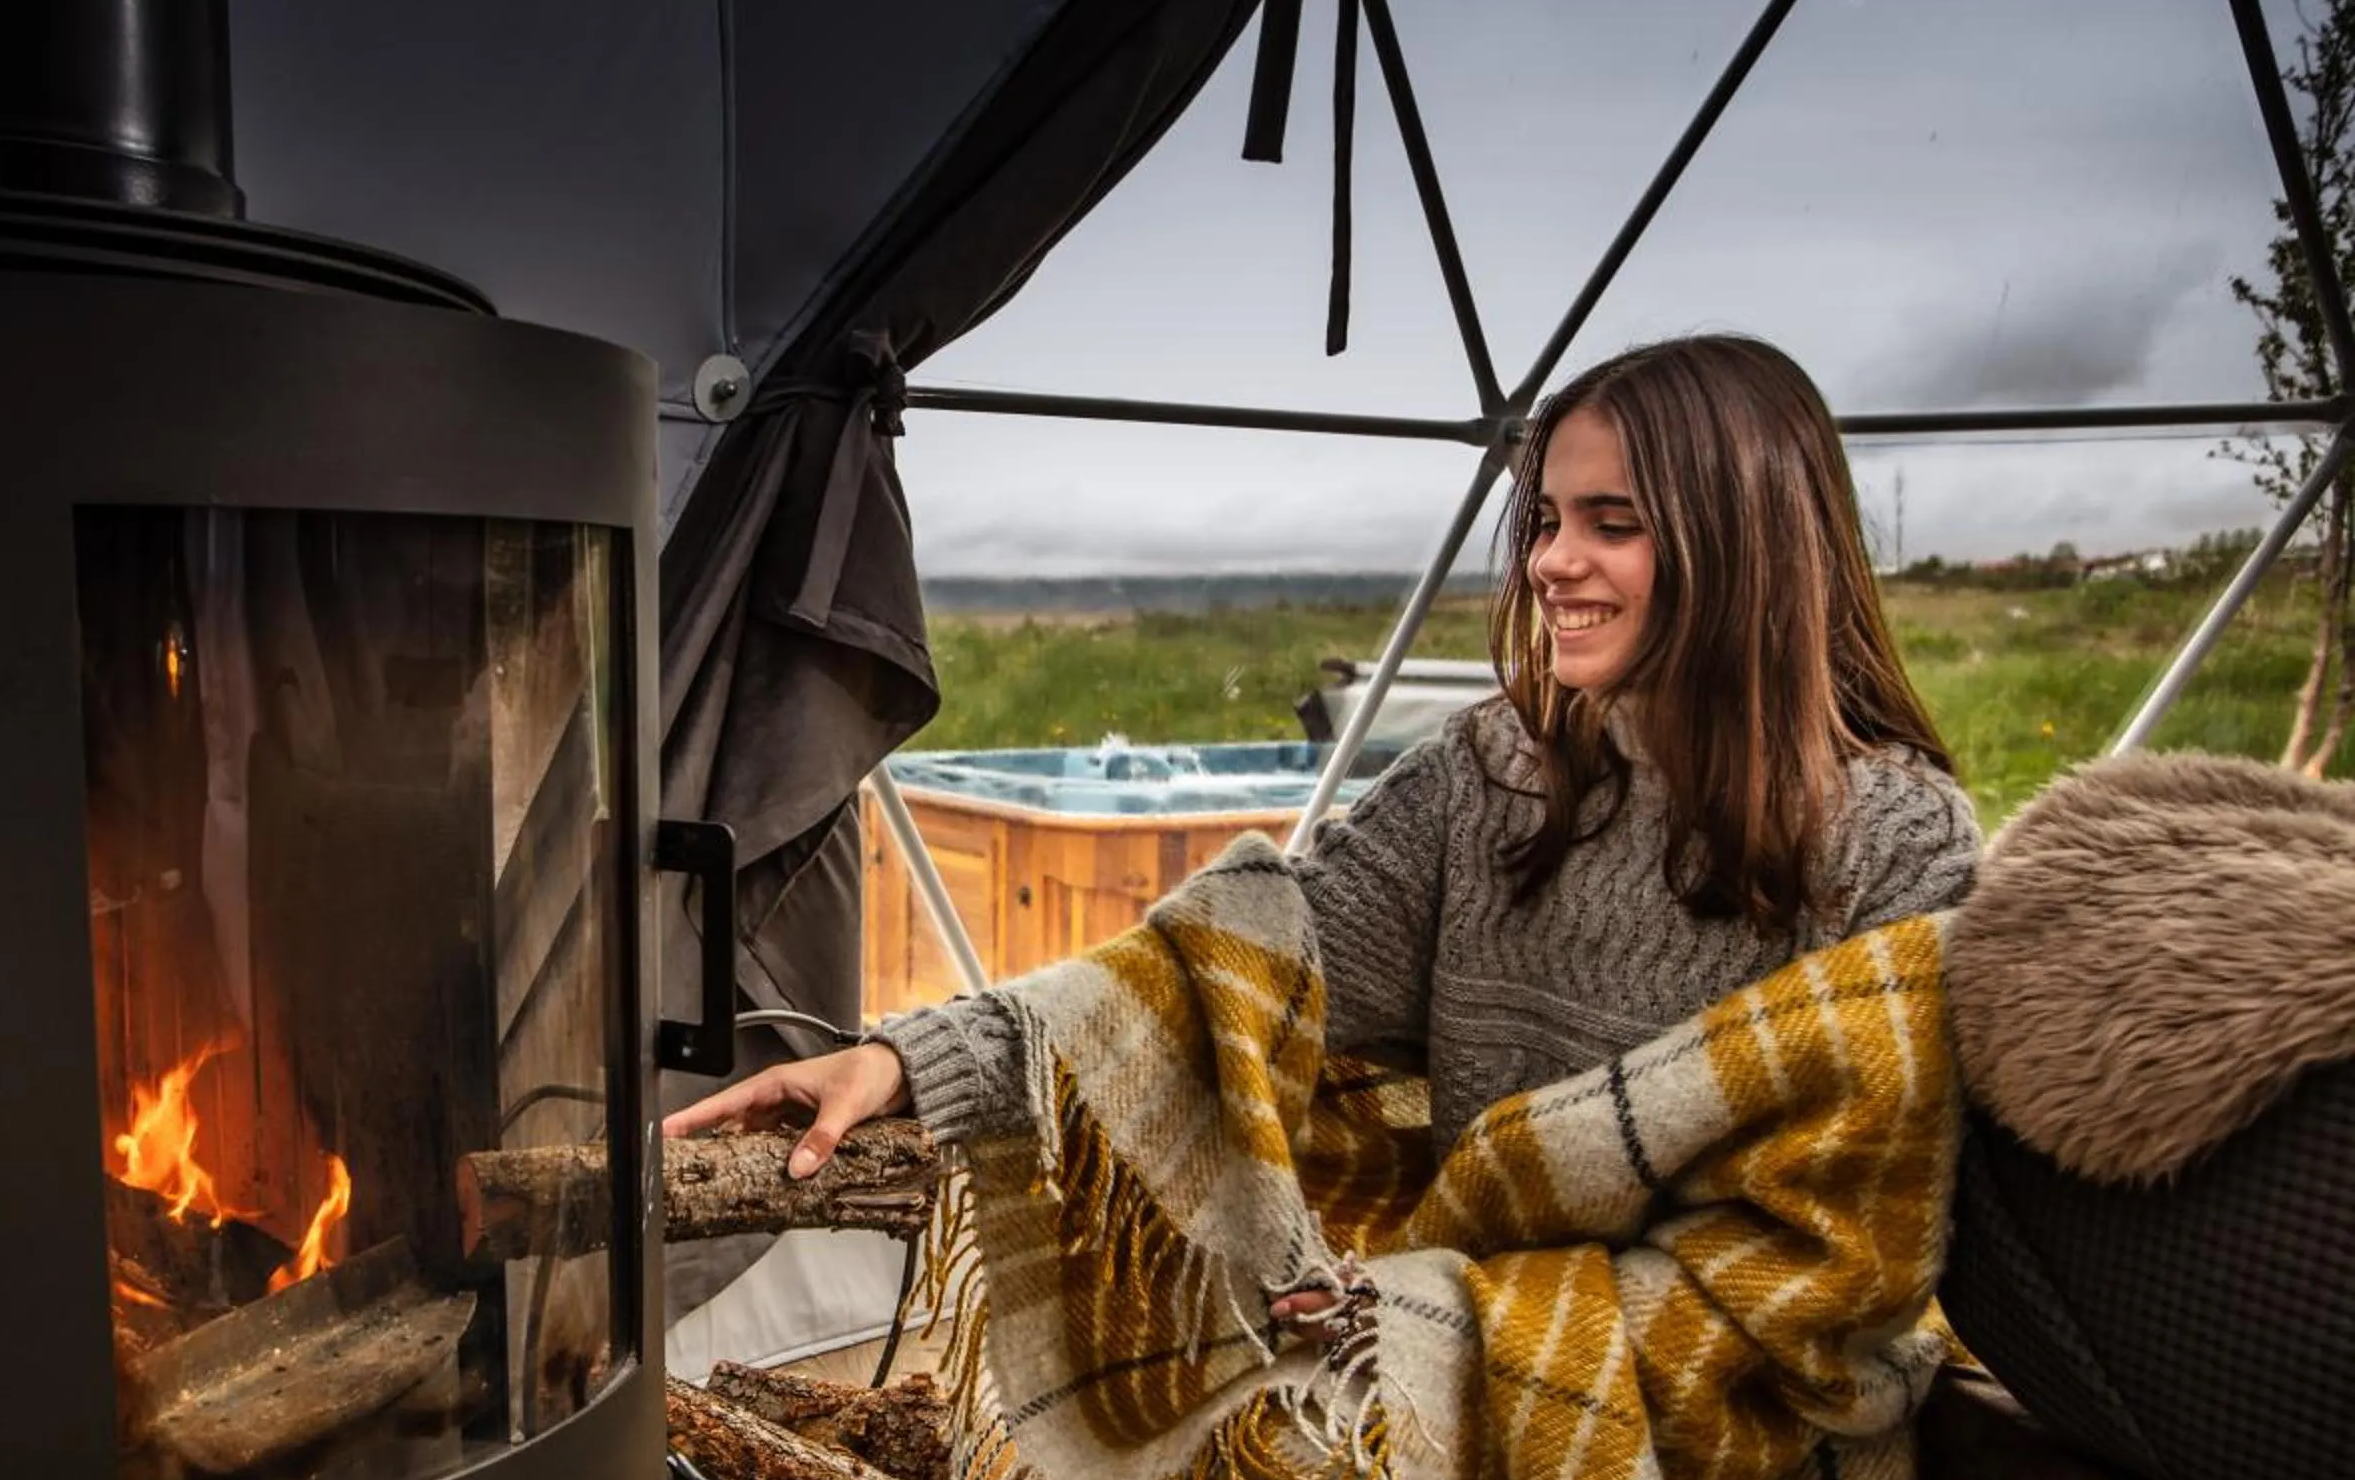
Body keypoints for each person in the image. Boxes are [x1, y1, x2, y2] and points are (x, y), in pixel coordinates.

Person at [665, 333, 1978, 1193]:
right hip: (1452, 1403)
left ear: (1745, 540)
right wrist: (912, 1062)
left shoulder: (1895, 843)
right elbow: (1217, 981)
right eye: (1544, 519)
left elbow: (1837, 1240)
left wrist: (1453, 1332)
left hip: (1721, 1456)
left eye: (1612, 523)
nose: (1550, 562)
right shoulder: (1494, 778)